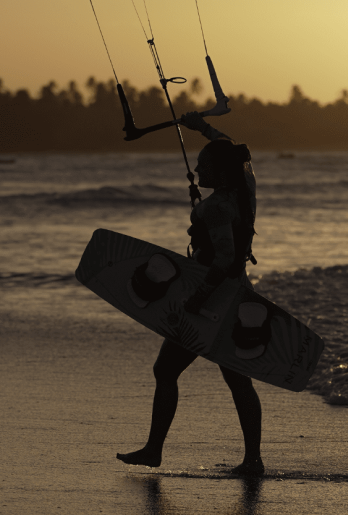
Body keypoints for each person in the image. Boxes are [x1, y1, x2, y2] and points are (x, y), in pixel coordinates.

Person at [116, 112, 264, 477]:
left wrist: (198, 300)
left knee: (165, 369)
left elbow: (226, 258)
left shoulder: (216, 207)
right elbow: (234, 149)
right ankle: (253, 459)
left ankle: (154, 449)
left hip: (211, 300)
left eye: (203, 166)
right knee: (237, 379)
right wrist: (201, 127)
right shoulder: (245, 184)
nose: (198, 171)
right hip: (239, 295)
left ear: (221, 170)